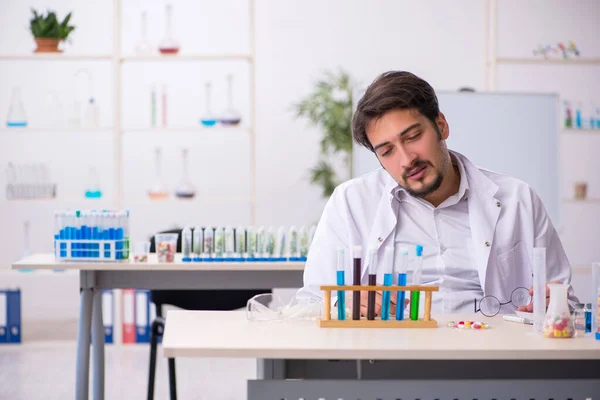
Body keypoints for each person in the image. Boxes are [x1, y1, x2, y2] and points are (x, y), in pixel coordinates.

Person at [300, 71, 578, 315]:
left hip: (493, 359)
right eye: (387, 151)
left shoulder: (518, 200)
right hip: (392, 360)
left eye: (412, 137)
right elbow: (310, 302)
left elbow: (568, 303)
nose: (407, 159)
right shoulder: (351, 202)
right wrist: (344, 304)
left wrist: (555, 302)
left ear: (441, 126)